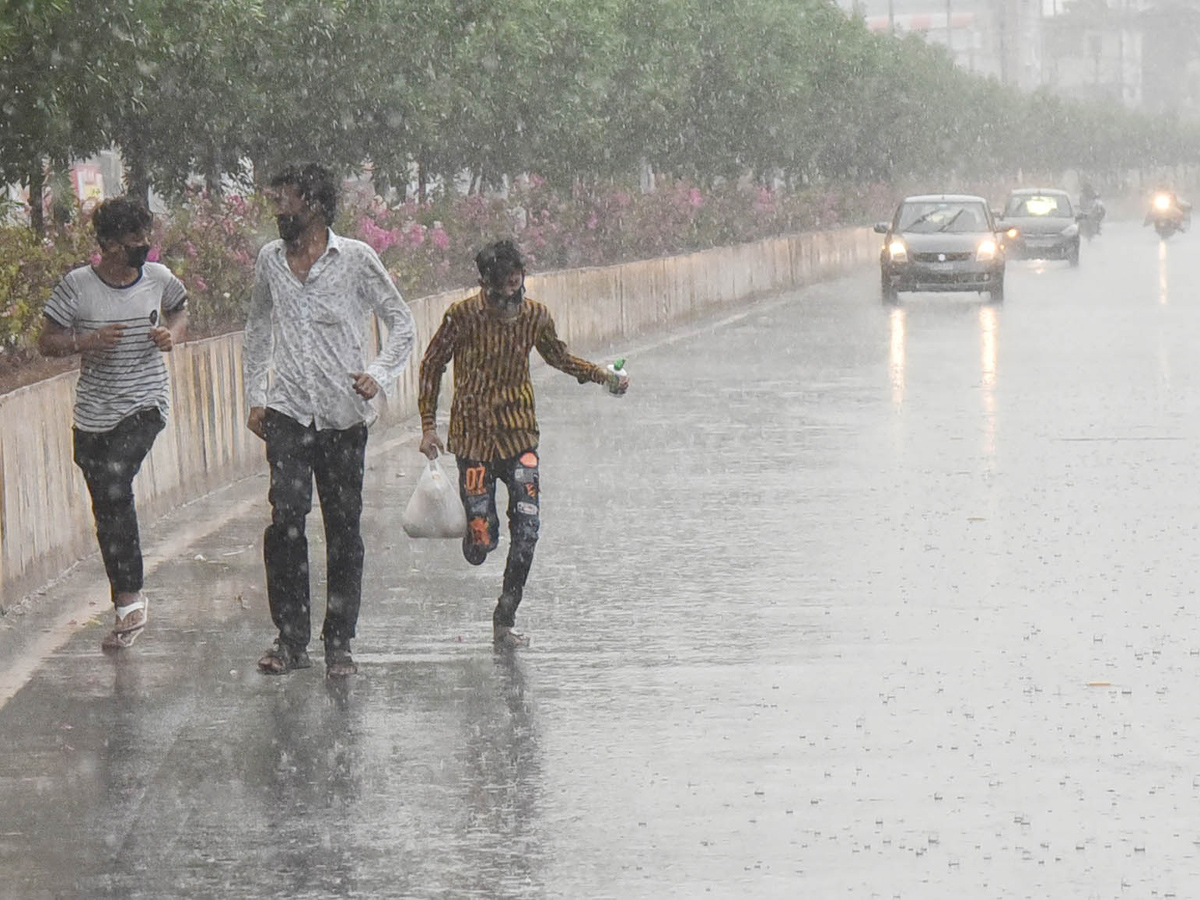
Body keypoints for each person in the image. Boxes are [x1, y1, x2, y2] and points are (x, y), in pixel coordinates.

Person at [243, 163, 416, 678]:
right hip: (289, 414)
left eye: (287, 200)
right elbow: (256, 327)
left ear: (315, 206)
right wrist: (256, 394)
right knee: (286, 525)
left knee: (343, 530)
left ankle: (339, 641)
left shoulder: (356, 259)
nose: (278, 210)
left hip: (343, 418)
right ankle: (290, 639)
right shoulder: (270, 262)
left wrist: (379, 374)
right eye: (276, 200)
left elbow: (401, 321)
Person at [417, 239, 629, 648]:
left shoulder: (535, 317)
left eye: (518, 286)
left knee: (527, 531)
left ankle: (505, 618)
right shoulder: (460, 317)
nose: (511, 298)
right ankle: (477, 534)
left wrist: (604, 376)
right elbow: (431, 365)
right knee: (482, 539)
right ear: (484, 284)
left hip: (520, 439)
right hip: (473, 443)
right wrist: (428, 425)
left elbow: (560, 357)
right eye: (503, 289)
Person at [37, 197, 189, 650]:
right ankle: (124, 600)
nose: (142, 247)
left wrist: (171, 335)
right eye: (131, 242)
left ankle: (130, 597)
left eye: (146, 238)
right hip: (93, 414)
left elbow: (180, 310)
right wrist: (86, 341)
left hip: (145, 404)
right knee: (105, 498)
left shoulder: (159, 279)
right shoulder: (77, 287)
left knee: (116, 480)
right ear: (105, 244)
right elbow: (46, 341)